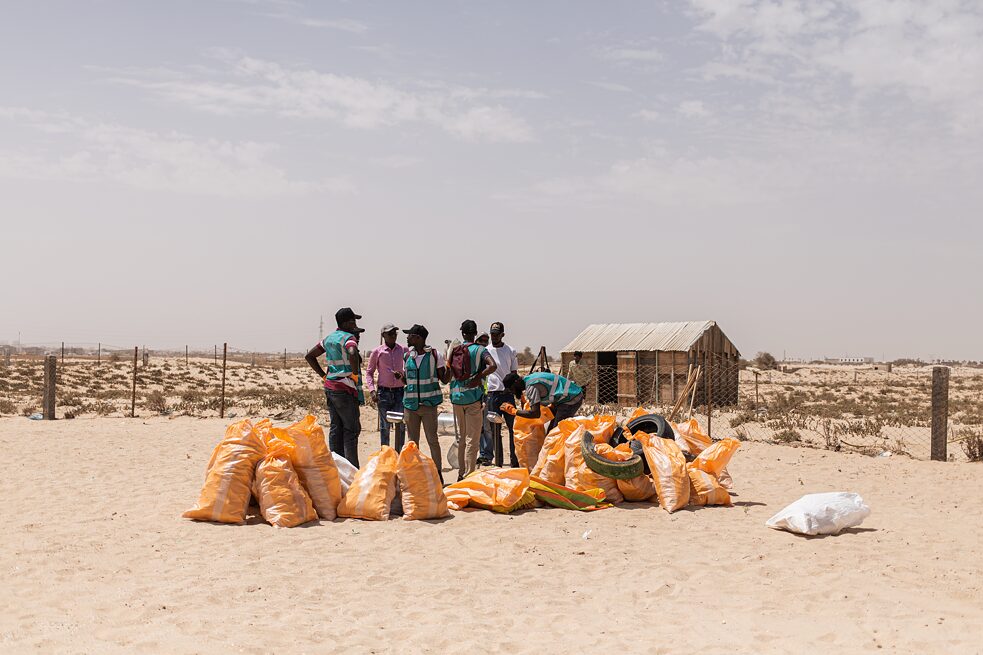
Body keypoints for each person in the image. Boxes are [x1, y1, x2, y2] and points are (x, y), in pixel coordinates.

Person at [305, 307, 364, 467]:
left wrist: (324, 376)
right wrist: (354, 374)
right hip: (345, 388)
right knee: (351, 431)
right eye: (353, 321)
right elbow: (352, 351)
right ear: (346, 322)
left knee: (336, 428)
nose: (355, 323)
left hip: (331, 387)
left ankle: (336, 467)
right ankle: (352, 470)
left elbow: (309, 356)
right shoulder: (348, 337)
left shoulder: (329, 339)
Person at [402, 324, 451, 483]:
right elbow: (407, 380)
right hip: (411, 406)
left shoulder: (435, 355)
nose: (407, 338)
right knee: (412, 443)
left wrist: (450, 364)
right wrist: (400, 377)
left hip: (429, 406)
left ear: (418, 338)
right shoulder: (407, 356)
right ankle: (414, 475)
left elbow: (444, 379)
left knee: (432, 440)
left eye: (409, 335)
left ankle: (437, 474)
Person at [449, 320, 496, 480]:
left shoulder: (455, 350)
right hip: (473, 399)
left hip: (456, 399)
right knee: (472, 439)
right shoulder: (480, 350)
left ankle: (460, 474)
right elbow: (493, 365)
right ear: (475, 334)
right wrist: (479, 376)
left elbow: (448, 374)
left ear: (462, 333)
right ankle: (469, 475)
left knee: (461, 438)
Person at [479, 322, 519, 467]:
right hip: (492, 395)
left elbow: (514, 372)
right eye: (492, 334)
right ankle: (499, 463)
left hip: (507, 395)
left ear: (502, 334)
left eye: (497, 334)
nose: (494, 337)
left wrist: (511, 389)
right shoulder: (485, 351)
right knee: (495, 430)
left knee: (513, 428)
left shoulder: (511, 350)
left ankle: (515, 461)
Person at [366, 323, 407, 450]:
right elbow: (369, 372)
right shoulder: (377, 352)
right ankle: (386, 454)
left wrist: (402, 376)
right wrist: (372, 391)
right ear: (383, 335)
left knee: (400, 425)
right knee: (385, 427)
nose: (393, 336)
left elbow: (410, 369)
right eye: (390, 333)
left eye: (395, 333)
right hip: (383, 393)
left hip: (400, 392)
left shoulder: (404, 350)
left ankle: (399, 453)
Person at [501, 370, 583, 433]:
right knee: (551, 432)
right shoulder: (530, 379)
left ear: (516, 382)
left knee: (555, 434)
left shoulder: (531, 387)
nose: (512, 392)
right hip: (567, 397)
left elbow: (535, 413)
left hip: (571, 398)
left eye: (512, 389)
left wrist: (514, 411)